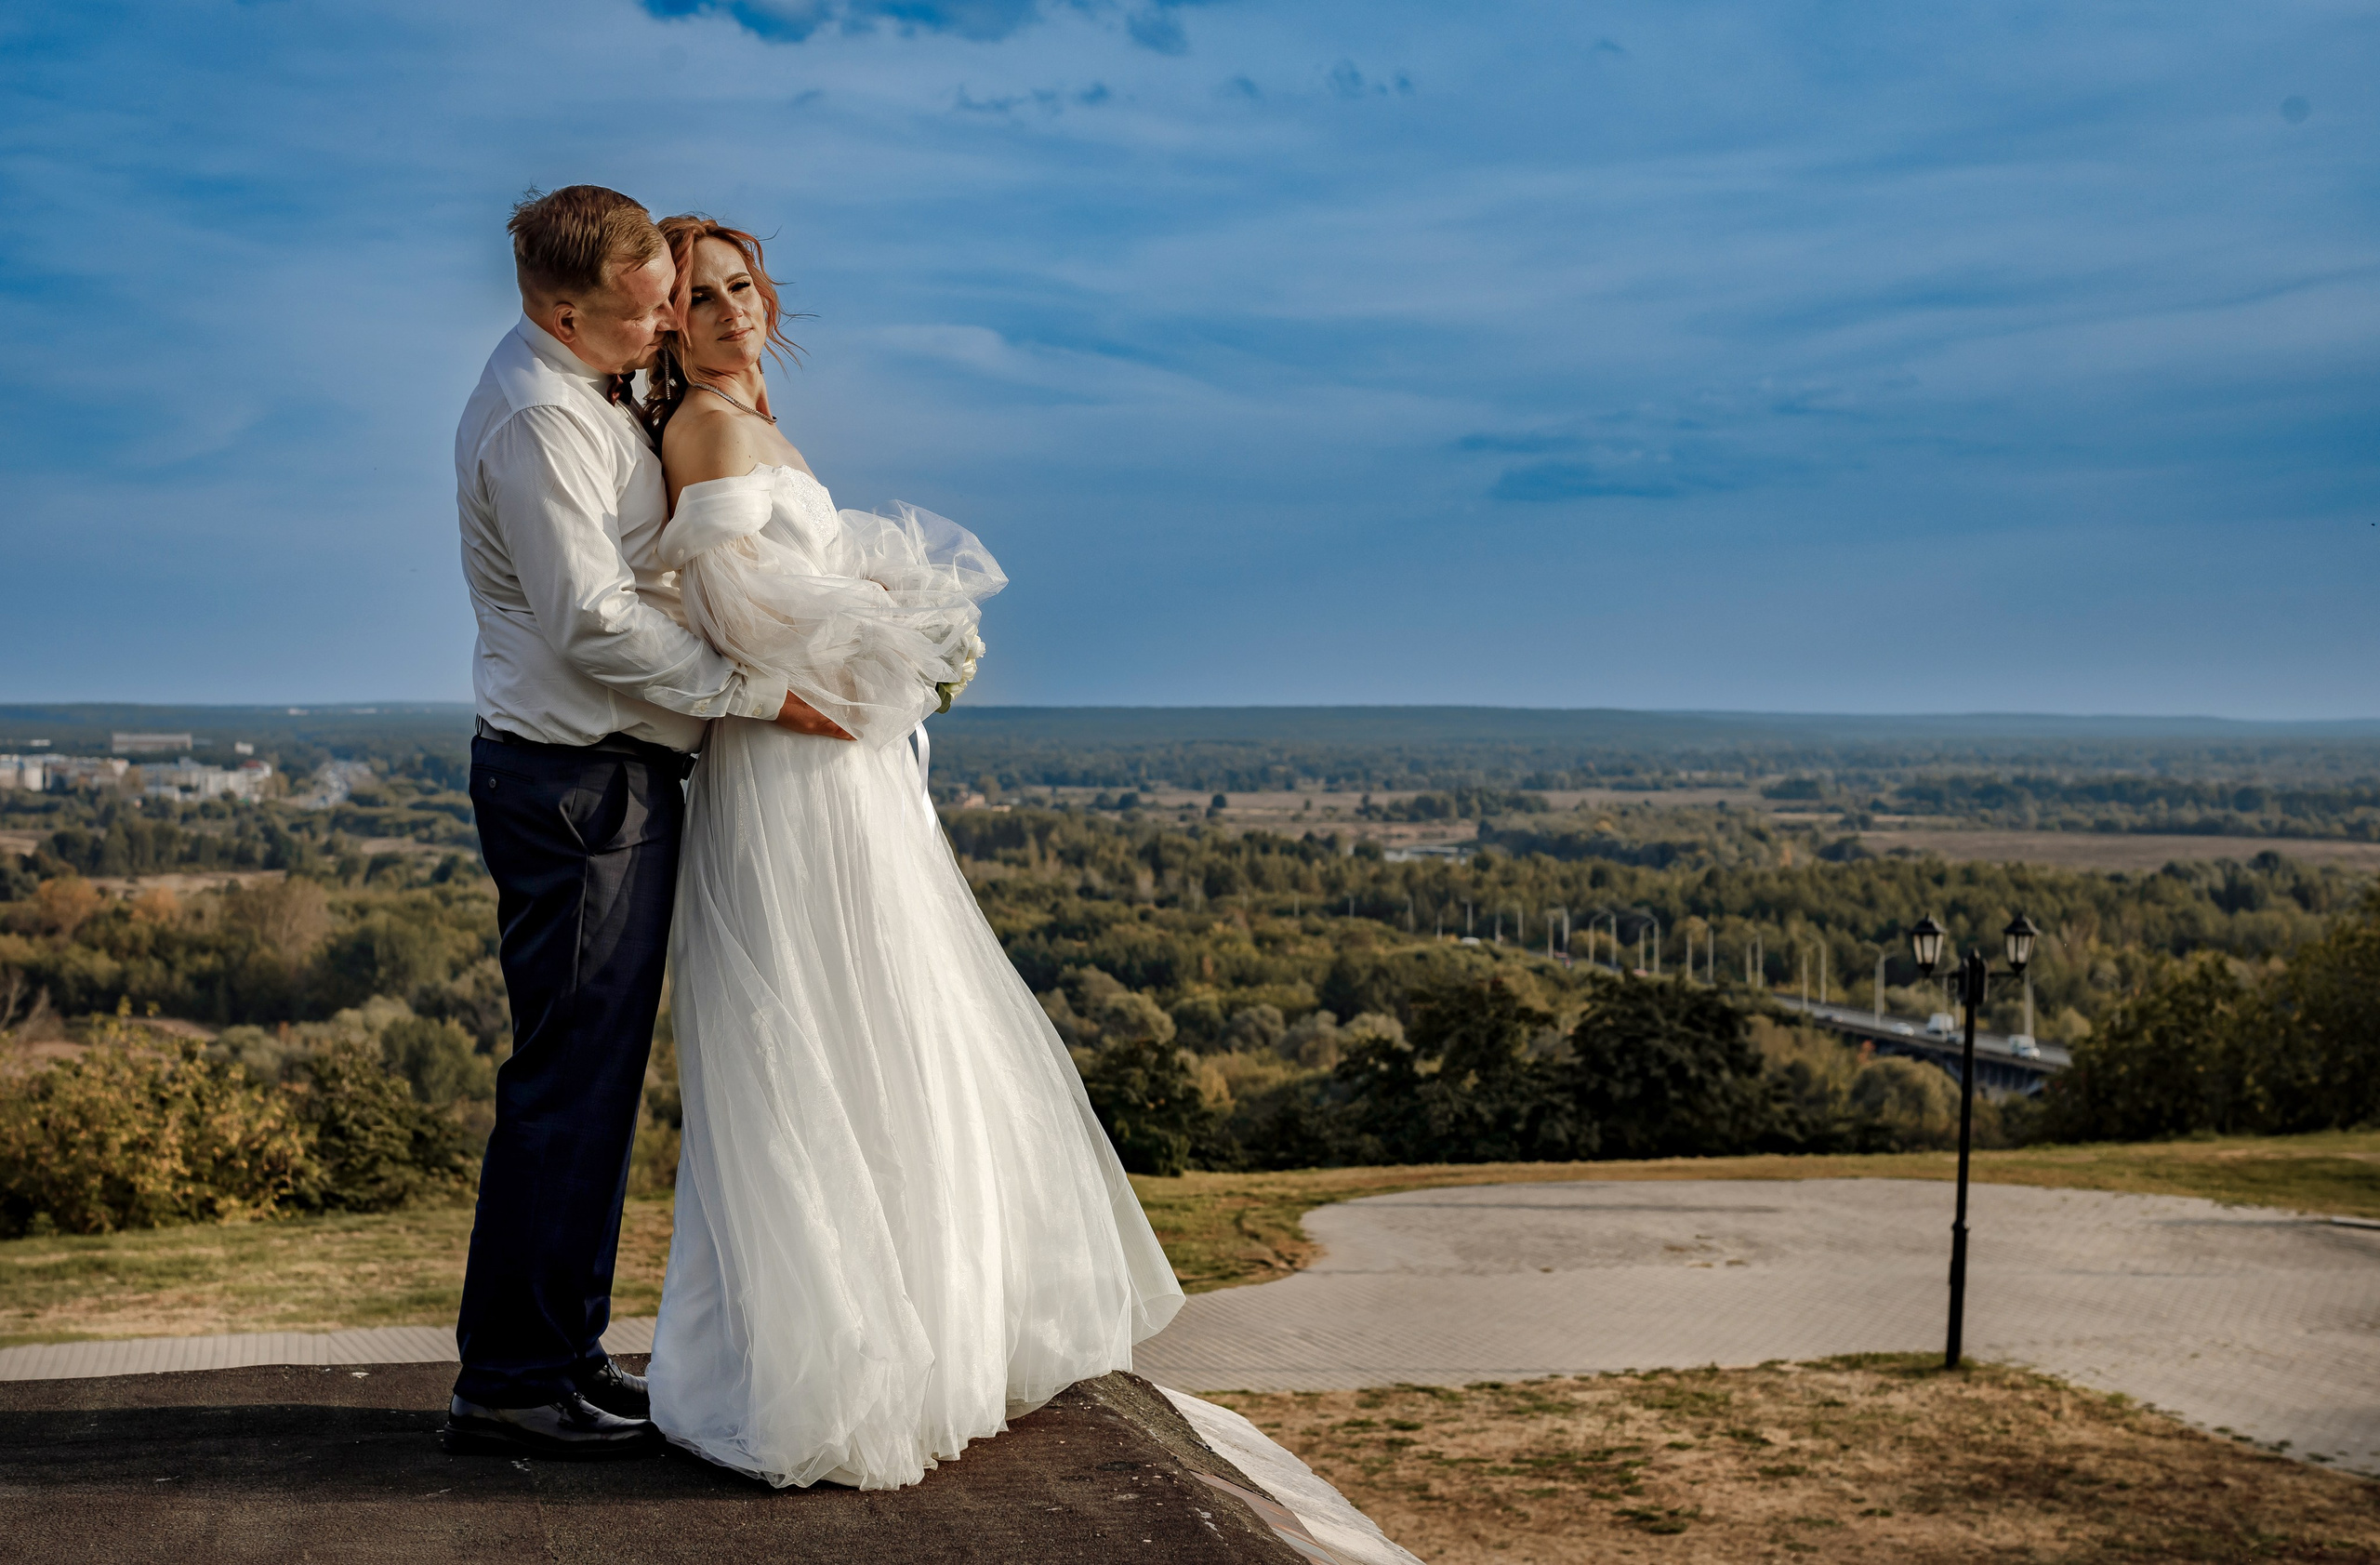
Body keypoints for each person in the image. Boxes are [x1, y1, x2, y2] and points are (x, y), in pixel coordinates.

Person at [641, 215, 1183, 1490]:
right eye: (700, 301)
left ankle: (914, 1337)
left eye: (740, 287)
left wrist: (894, 629)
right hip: (791, 768)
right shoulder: (705, 430)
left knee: (891, 1024)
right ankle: (825, 1365)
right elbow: (739, 610)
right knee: (824, 1030)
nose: (731, 313)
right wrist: (889, 625)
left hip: (846, 765)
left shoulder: (757, 420)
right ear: (663, 324)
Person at [442, 186, 852, 1459]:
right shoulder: (537, 421)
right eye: (645, 310)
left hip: (615, 776)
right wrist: (756, 692)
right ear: (566, 311)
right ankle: (512, 1381)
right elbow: (592, 624)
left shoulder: (595, 387)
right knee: (566, 1086)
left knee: (596, 1085)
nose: (667, 322)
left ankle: (562, 1355)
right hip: (578, 786)